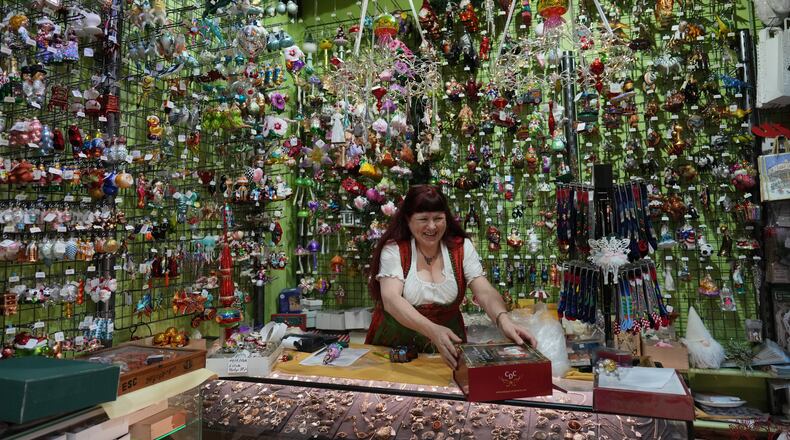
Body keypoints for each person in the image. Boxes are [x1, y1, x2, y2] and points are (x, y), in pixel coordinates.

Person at [366, 185, 537, 368]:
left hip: (449, 350)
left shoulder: (460, 247)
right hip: (395, 350)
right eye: (423, 219)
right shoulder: (395, 249)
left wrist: (503, 320)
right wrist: (432, 330)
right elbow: (391, 299)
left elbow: (484, 290)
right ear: (408, 220)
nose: (432, 226)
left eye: (438, 218)